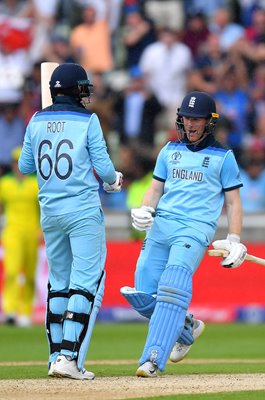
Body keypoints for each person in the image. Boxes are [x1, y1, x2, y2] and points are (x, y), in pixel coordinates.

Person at [121, 91, 247, 377]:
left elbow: (233, 202)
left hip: (195, 228)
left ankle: (152, 359)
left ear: (209, 122)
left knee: (172, 287)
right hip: (162, 225)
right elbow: (155, 190)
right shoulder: (168, 150)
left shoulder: (223, 157)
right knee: (143, 294)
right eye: (186, 118)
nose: (190, 125)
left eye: (196, 120)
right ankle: (186, 326)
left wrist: (235, 240)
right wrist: (145, 210)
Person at [18, 63, 123, 380]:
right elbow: (104, 169)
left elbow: (25, 167)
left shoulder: (36, 120)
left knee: (58, 284)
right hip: (82, 209)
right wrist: (113, 180)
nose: (85, 93)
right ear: (76, 90)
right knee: (85, 281)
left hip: (49, 211)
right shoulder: (88, 120)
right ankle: (68, 357)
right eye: (82, 88)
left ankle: (54, 358)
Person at [0, 146, 40, 327]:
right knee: (12, 272)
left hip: (32, 232)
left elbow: (43, 209)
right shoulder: (5, 184)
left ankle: (25, 312)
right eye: (16, 163)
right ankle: (10, 310)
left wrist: (42, 230)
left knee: (30, 274)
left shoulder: (35, 184)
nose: (18, 166)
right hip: (12, 232)